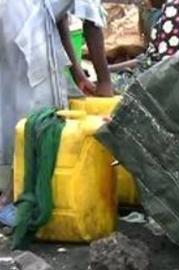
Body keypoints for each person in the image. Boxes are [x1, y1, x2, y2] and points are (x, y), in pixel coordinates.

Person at [0, 0, 113, 224]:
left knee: (8, 98)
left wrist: (78, 72)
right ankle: (13, 198)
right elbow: (91, 20)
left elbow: (57, 16)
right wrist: (104, 81)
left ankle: (9, 188)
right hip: (26, 28)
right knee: (38, 115)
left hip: (13, 15)